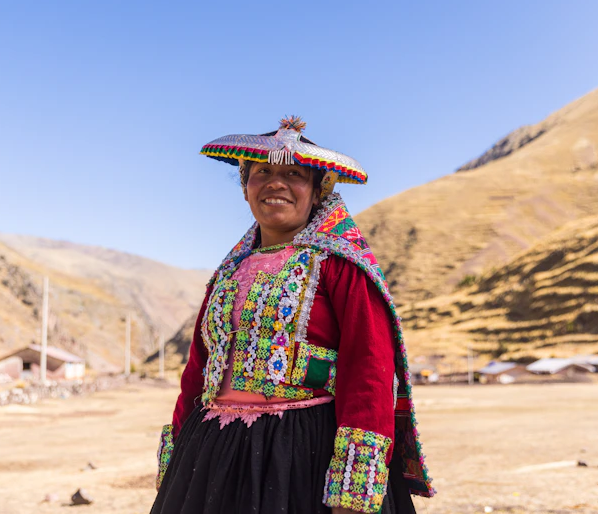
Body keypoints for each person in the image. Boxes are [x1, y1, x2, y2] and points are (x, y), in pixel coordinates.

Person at [151, 117, 434, 514]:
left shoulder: (341, 266)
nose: (275, 183)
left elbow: (369, 368)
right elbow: (199, 369)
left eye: (294, 174)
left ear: (319, 191)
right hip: (213, 452)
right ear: (245, 188)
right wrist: (181, 457)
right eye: (261, 172)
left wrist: (351, 496)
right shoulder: (227, 275)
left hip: (304, 452)